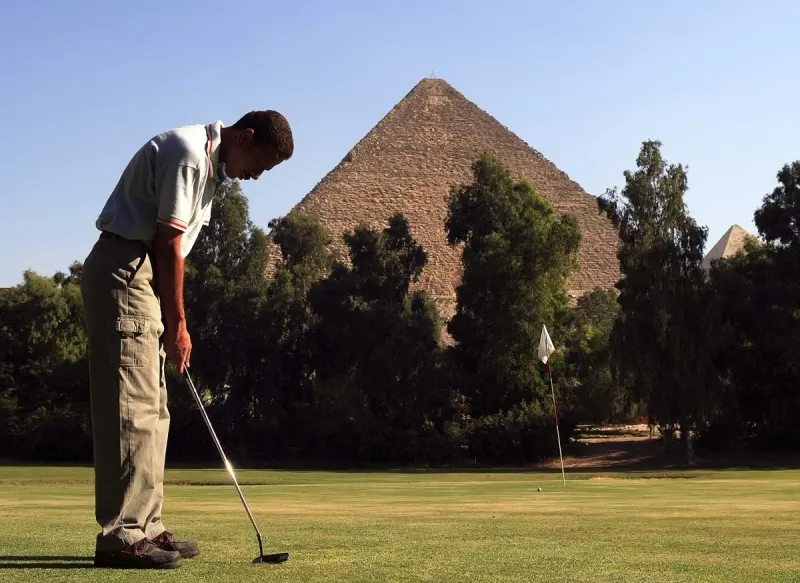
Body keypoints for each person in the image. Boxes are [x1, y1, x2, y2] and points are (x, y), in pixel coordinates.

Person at [80, 111, 293, 569]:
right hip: (125, 269)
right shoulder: (189, 155)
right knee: (132, 405)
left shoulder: (211, 169)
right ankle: (122, 533)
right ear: (245, 137)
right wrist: (179, 323)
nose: (257, 177)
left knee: (154, 407)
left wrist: (170, 315)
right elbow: (169, 243)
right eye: (260, 165)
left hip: (142, 275)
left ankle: (147, 524)